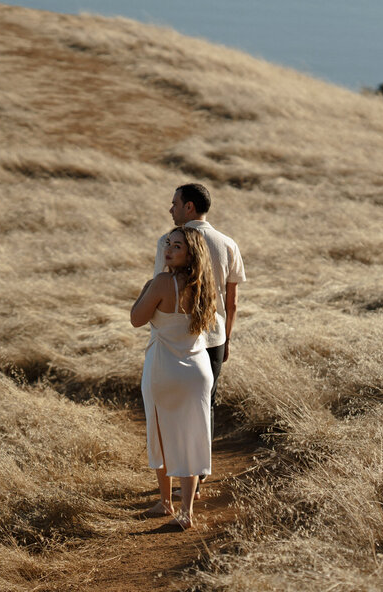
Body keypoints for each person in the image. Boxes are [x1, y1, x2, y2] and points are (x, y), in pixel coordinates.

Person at [131, 226, 218, 529]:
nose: (168, 249)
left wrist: (146, 289)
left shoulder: (161, 282)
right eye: (168, 244)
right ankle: (187, 511)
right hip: (197, 368)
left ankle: (166, 501)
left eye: (177, 246)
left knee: (162, 431)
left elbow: (136, 319)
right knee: (191, 435)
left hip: (164, 367)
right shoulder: (206, 286)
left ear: (190, 253)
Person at [155, 183, 245, 456]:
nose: (171, 209)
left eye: (175, 203)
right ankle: (200, 471)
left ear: (189, 206)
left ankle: (180, 468)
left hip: (177, 337)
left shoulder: (168, 242)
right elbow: (232, 302)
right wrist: (227, 339)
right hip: (214, 336)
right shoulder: (228, 243)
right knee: (207, 403)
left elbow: (162, 289)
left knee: (175, 404)